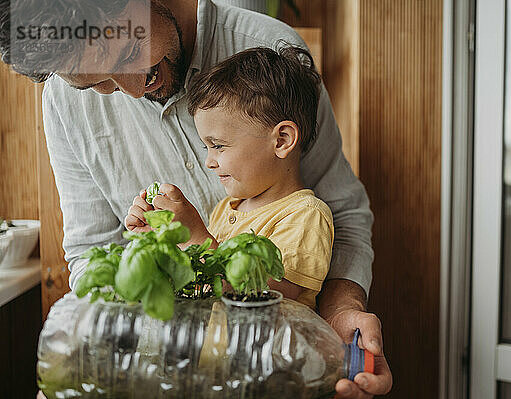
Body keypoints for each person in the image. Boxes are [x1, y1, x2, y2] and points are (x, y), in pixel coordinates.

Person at [2, 0, 392, 396]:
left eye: (129, 52)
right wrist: (153, 246)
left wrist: (342, 310)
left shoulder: (267, 50)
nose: (134, 90)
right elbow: (93, 252)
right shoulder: (63, 102)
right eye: (97, 86)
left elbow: (338, 215)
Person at [127, 46, 334, 310]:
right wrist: (164, 240)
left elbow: (263, 295)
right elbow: (203, 283)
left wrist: (196, 237)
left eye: (219, 146)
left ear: (282, 140)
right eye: (206, 147)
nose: (209, 161)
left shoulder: (305, 216)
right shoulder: (225, 209)